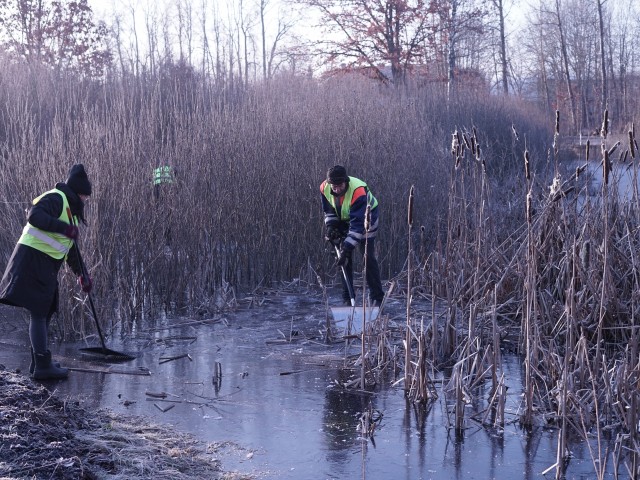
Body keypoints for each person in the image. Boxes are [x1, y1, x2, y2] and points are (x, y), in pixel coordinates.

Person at [0, 164, 93, 380]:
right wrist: (65, 229)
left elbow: (71, 250)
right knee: (39, 311)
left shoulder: (71, 213)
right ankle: (42, 366)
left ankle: (39, 363)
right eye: (84, 196)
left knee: (45, 310)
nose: (85, 200)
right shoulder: (57, 198)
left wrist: (82, 275)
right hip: (32, 261)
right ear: (77, 192)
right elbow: (34, 216)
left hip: (44, 264)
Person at [320, 165, 384, 306]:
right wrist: (331, 227)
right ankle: (348, 299)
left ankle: (377, 299)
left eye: (340, 185)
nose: (337, 189)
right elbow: (329, 210)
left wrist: (347, 248)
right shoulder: (324, 187)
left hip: (367, 218)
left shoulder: (358, 192)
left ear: (346, 181)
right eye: (334, 186)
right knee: (344, 260)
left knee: (367, 258)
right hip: (345, 218)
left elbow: (357, 226)